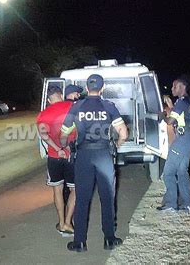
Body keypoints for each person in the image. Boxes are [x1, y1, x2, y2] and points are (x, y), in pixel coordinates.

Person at [61, 74, 128, 252]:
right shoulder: (109, 106)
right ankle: (109, 239)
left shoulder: (76, 106)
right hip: (104, 155)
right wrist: (116, 146)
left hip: (83, 155)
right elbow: (123, 133)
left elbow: (64, 132)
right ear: (102, 87)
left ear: (86, 87)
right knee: (107, 198)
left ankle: (80, 242)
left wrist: (65, 145)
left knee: (82, 199)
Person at [36, 85, 78, 237]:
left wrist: (57, 148)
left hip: (54, 156)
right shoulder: (73, 107)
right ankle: (68, 222)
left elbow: (44, 135)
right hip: (71, 156)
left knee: (57, 189)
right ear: (61, 95)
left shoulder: (43, 114)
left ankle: (61, 223)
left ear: (48, 99)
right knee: (75, 189)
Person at [157, 78, 190, 213]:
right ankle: (187, 205)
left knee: (168, 172)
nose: (172, 88)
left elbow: (170, 121)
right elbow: (181, 117)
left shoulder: (180, 102)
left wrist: (162, 115)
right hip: (188, 137)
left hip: (182, 139)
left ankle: (170, 204)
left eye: (174, 86)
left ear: (182, 87)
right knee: (182, 172)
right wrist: (171, 106)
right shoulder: (187, 101)